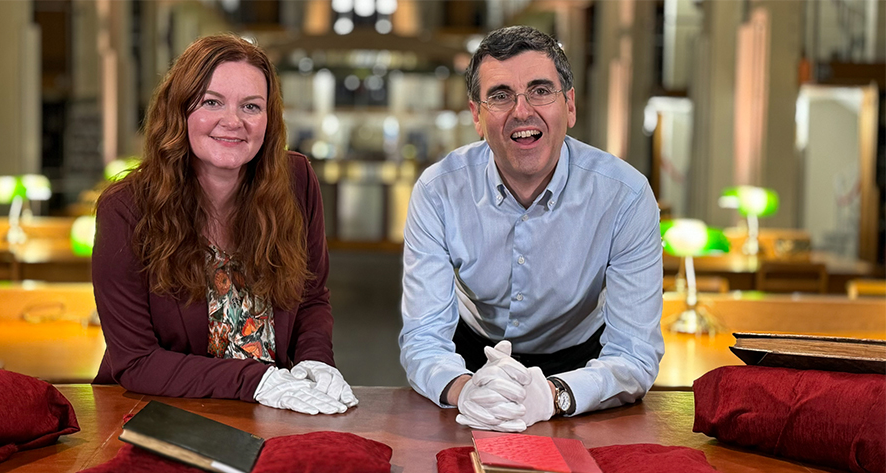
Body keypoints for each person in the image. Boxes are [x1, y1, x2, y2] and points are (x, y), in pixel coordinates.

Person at [399, 26, 664, 431]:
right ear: (476, 116)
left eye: (540, 91)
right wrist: (464, 389)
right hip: (470, 360)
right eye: (500, 96)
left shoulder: (625, 196)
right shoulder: (438, 191)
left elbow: (634, 353)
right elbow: (424, 337)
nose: (522, 111)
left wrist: (555, 395)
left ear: (570, 106)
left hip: (582, 368)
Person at [92, 34, 357, 415]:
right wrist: (256, 380)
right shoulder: (125, 209)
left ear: (269, 119)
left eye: (251, 106)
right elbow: (136, 361)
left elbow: (311, 297)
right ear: (180, 110)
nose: (233, 122)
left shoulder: (296, 180)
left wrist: (315, 360)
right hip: (162, 414)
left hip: (274, 409)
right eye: (211, 102)